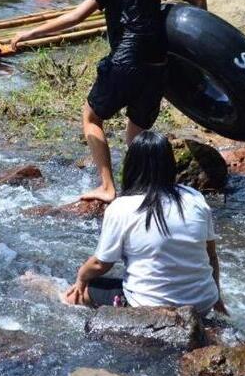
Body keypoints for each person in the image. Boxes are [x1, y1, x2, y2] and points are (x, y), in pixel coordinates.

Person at [10, 0, 207, 203]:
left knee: (91, 118)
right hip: (157, 66)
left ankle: (107, 187)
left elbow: (75, 17)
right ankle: (137, 190)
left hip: (125, 62)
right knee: (136, 133)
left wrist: (28, 33)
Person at [62, 131, 227, 315]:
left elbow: (101, 264)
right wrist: (217, 297)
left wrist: (81, 277)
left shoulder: (122, 207)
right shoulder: (194, 198)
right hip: (203, 304)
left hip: (151, 306)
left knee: (77, 293)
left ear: (131, 166)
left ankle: (47, 291)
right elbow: (211, 255)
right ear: (170, 164)